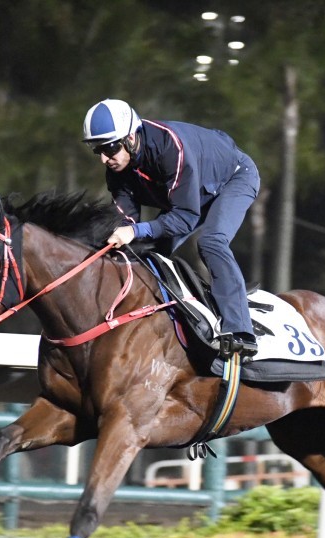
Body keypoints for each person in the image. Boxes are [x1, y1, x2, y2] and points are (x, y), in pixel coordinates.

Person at [82, 98, 260, 358]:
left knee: (211, 241)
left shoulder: (169, 148)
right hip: (192, 193)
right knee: (148, 252)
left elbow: (186, 218)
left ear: (131, 137)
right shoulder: (117, 171)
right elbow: (127, 223)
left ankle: (241, 330)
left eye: (109, 148)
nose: (104, 159)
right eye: (97, 150)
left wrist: (135, 231)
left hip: (233, 178)